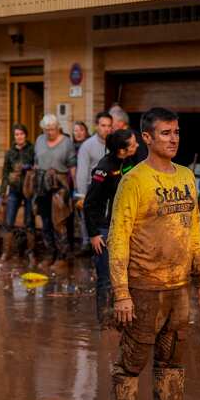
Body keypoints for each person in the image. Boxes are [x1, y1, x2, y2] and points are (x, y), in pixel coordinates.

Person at [108, 107, 200, 400]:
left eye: (176, 132)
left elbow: (195, 231)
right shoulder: (134, 181)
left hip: (178, 287)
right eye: (165, 133)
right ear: (148, 138)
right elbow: (118, 239)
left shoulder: (185, 176)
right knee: (131, 362)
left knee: (172, 362)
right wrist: (121, 294)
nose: (174, 139)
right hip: (143, 287)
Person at [82, 128, 139, 325]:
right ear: (121, 150)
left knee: (127, 275)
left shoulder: (131, 162)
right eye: (133, 144)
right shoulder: (104, 169)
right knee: (106, 278)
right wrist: (94, 234)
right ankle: (105, 321)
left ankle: (124, 318)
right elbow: (89, 204)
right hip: (105, 230)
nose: (137, 145)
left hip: (127, 227)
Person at [34, 114, 77, 263]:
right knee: (45, 221)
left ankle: (63, 256)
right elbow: (36, 163)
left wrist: (75, 188)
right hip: (42, 185)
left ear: (58, 127)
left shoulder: (67, 143)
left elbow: (72, 166)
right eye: (46, 130)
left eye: (52, 129)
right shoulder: (39, 140)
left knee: (59, 221)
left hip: (60, 185)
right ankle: (50, 253)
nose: (49, 132)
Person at [75, 111, 114, 253]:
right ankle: (87, 245)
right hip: (92, 188)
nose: (107, 129)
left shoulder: (115, 143)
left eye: (109, 126)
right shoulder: (87, 145)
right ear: (97, 126)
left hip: (110, 191)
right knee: (88, 218)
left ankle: (105, 246)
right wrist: (81, 195)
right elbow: (82, 171)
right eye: (103, 125)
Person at [0, 124, 36, 258]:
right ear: (14, 136)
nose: (19, 137)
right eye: (16, 134)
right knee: (8, 221)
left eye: (21, 134)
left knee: (29, 222)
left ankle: (30, 253)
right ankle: (6, 252)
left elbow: (37, 166)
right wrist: (1, 193)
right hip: (14, 190)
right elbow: (5, 173)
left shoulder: (32, 149)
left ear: (26, 135)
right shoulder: (9, 153)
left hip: (28, 190)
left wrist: (29, 168)